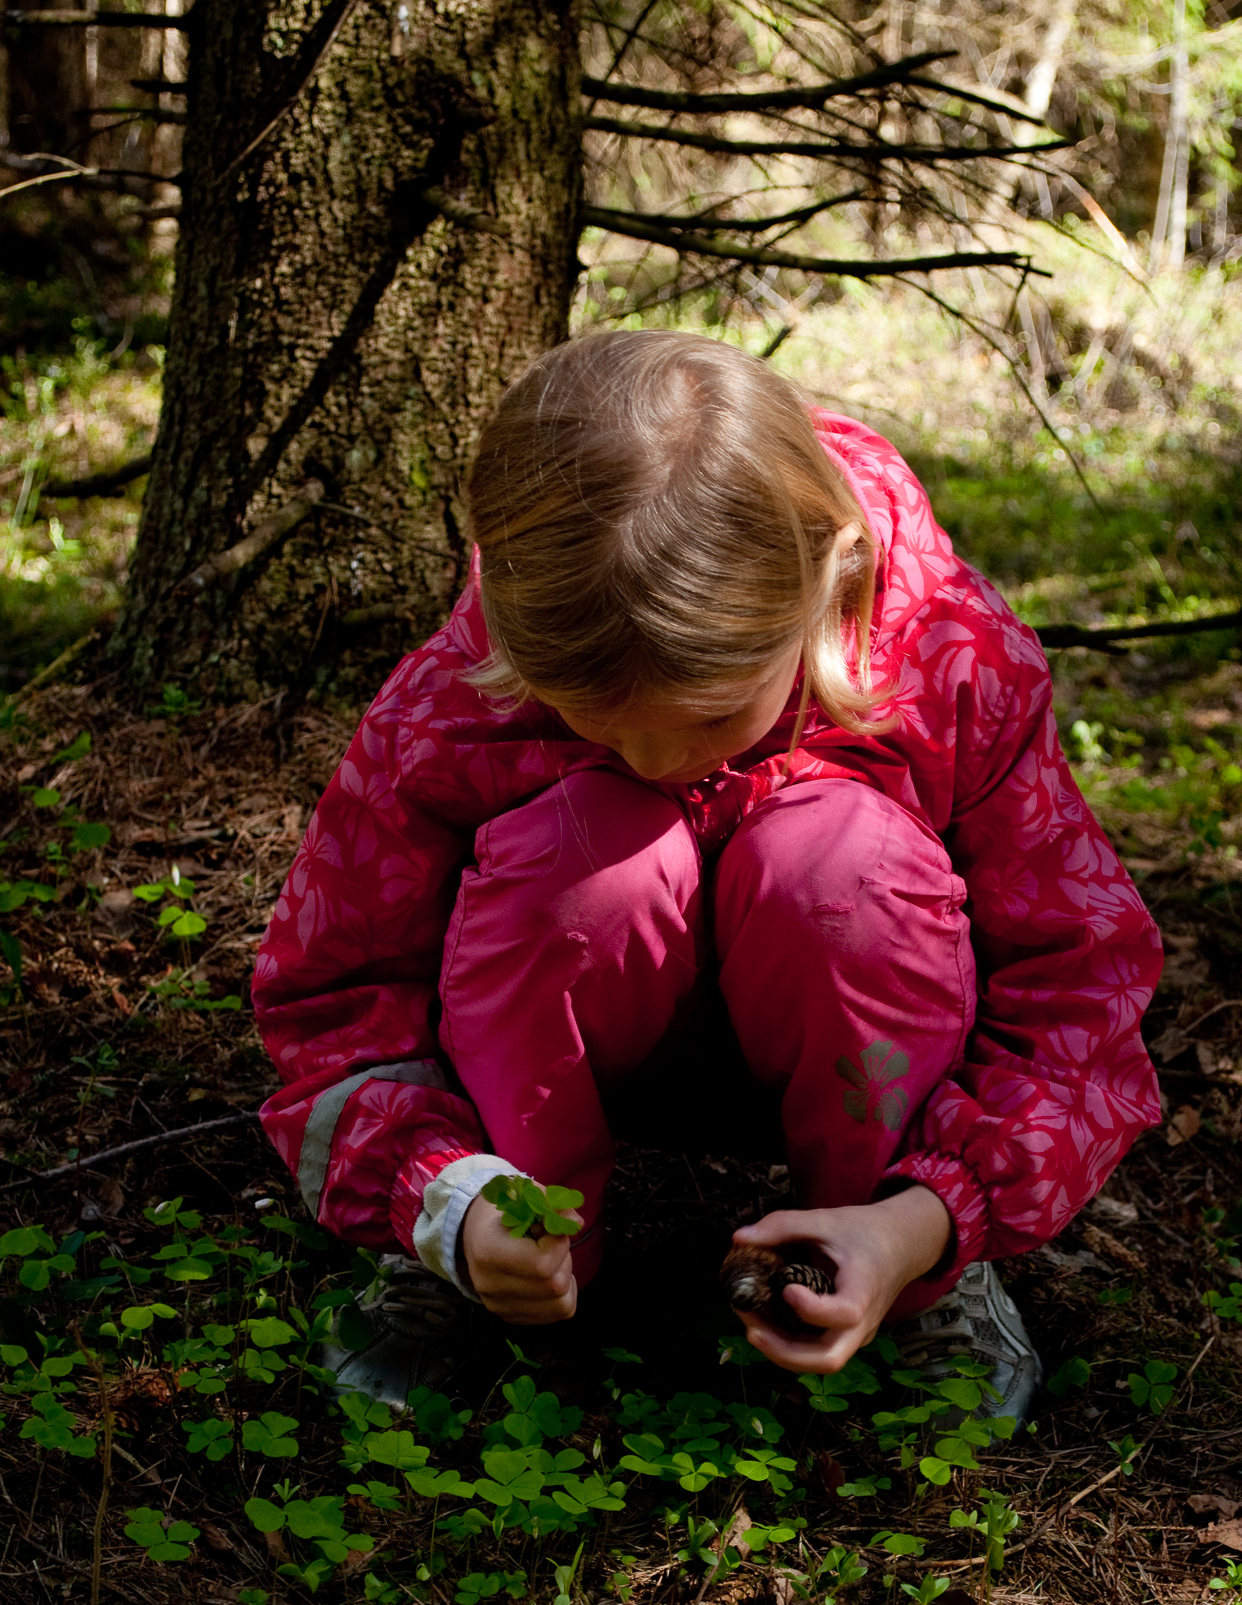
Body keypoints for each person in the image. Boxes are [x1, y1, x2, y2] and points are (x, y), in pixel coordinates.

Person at [253, 330, 1161, 1415]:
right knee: (581, 856)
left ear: (828, 577)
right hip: (555, 1050)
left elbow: (1079, 993)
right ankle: (506, 1253)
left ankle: (889, 1274)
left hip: (852, 1054)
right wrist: (438, 1194)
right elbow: (334, 995)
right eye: (593, 721)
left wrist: (925, 1218)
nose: (656, 761)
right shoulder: (460, 695)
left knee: (841, 865)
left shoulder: (947, 663)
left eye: (712, 715)